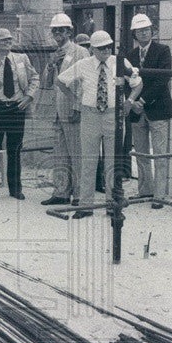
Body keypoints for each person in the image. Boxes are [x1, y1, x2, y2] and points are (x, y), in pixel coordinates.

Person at [57, 31, 142, 219]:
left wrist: (129, 101)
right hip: (90, 116)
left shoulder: (120, 62)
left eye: (109, 46)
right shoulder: (83, 65)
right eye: (101, 47)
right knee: (88, 161)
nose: (106, 50)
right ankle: (85, 206)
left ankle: (112, 205)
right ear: (93, 49)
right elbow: (61, 81)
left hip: (114, 115)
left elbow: (137, 83)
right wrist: (75, 99)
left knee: (113, 161)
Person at [0, 28, 39, 200]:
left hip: (16, 108)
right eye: (3, 40)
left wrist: (29, 97)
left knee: (15, 149)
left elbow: (35, 78)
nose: (7, 42)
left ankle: (15, 188)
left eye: (9, 40)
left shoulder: (22, 58)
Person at [125, 13, 172, 208]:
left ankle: (159, 196)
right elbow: (126, 81)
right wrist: (132, 101)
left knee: (160, 154)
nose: (144, 33)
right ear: (134, 34)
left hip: (157, 109)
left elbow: (163, 80)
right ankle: (145, 191)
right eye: (140, 30)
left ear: (152, 32)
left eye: (147, 29)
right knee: (141, 153)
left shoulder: (163, 51)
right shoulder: (129, 56)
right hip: (137, 111)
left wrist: (142, 100)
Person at [41, 13, 90, 206]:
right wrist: (52, 64)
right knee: (60, 153)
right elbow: (46, 81)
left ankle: (79, 194)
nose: (58, 34)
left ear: (69, 31)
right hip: (57, 110)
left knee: (77, 153)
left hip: (73, 108)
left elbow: (86, 82)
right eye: (55, 30)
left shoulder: (80, 52)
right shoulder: (54, 53)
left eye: (61, 30)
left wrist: (79, 106)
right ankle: (61, 192)